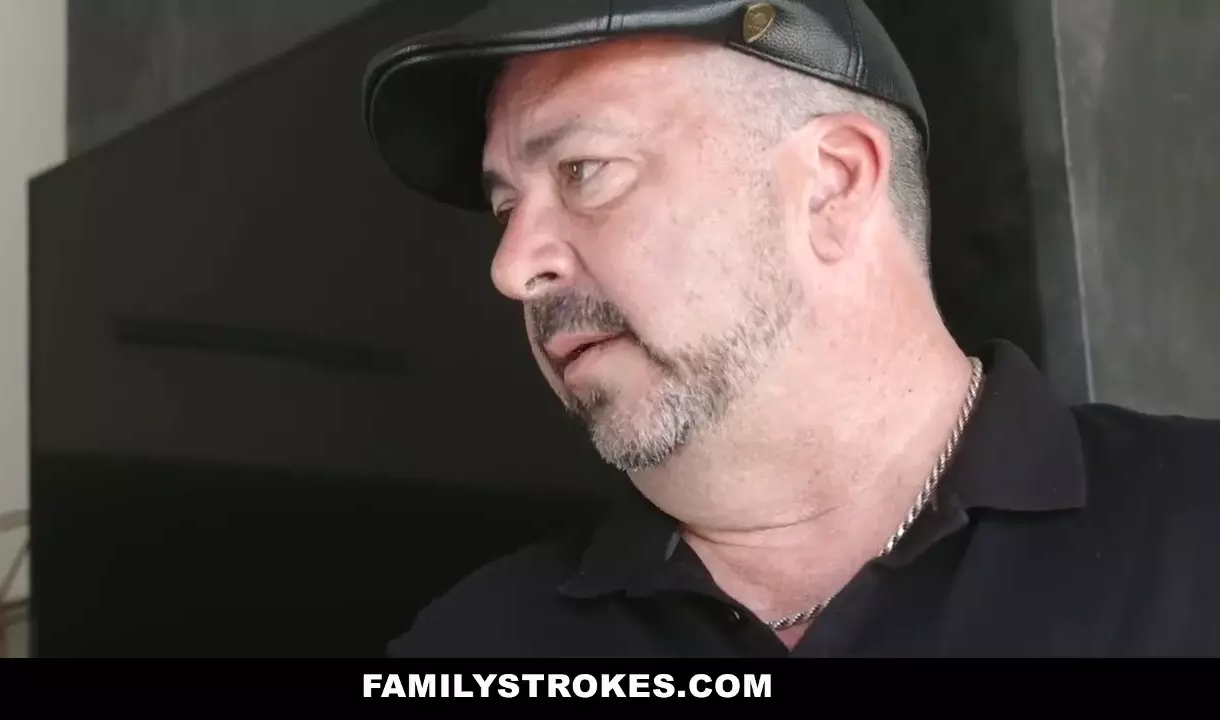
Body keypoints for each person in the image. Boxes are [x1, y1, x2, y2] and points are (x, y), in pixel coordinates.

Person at [361, 0, 1220, 657]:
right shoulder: (473, 648)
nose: (513, 267)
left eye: (586, 170)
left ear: (833, 184)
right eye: (506, 208)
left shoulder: (1195, 530)